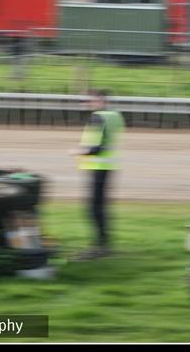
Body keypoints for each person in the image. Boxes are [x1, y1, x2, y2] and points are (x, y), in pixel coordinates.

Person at [69, 89, 126, 260]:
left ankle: (100, 246)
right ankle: (104, 243)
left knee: (93, 209)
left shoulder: (98, 117)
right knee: (101, 207)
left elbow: (96, 147)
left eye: (91, 101)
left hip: (98, 166)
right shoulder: (115, 116)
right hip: (109, 166)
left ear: (101, 101)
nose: (89, 104)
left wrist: (77, 151)